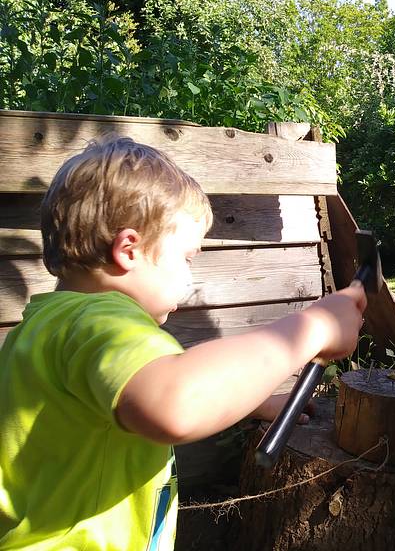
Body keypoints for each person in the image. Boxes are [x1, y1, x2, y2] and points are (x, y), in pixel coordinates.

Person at [0, 137, 367, 550]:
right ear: (129, 250)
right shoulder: (96, 322)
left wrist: (253, 402)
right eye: (187, 258)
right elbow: (175, 402)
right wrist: (313, 328)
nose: (190, 278)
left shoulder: (45, 327)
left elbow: (132, 404)